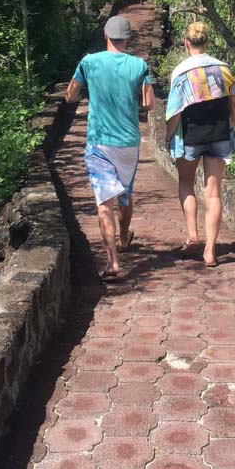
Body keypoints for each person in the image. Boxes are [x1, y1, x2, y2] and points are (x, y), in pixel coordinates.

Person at [65, 15, 154, 280]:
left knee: (104, 203)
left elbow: (70, 95)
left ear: (106, 36)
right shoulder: (139, 65)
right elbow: (149, 104)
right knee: (125, 195)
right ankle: (124, 236)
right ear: (128, 38)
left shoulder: (88, 62)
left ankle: (113, 263)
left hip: (99, 143)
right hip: (128, 142)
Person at [165, 22, 235, 267]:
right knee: (214, 193)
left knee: (186, 182)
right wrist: (232, 127)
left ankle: (193, 235)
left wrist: (168, 136)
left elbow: (175, 112)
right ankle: (210, 251)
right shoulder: (223, 68)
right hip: (219, 133)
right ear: (207, 42)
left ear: (186, 43)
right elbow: (234, 104)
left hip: (191, 135)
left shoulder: (180, 72)